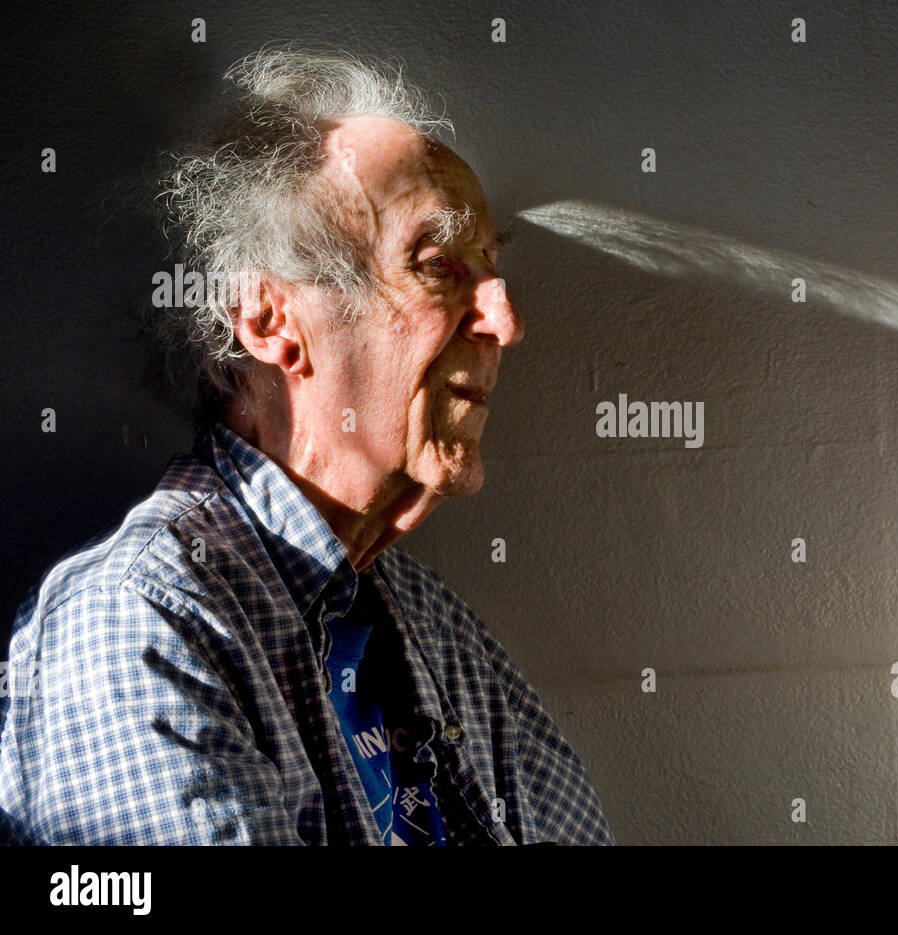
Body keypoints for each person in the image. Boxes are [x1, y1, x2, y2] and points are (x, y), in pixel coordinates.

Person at [0, 46, 613, 845]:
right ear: (271, 322)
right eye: (437, 267)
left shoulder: (431, 623)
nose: (505, 321)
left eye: (493, 271)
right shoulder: (140, 620)